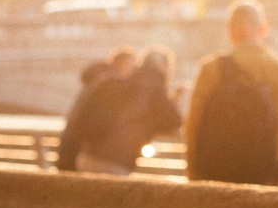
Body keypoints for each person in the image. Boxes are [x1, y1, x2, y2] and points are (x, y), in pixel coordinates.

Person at [183, 0, 278, 189]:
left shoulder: (211, 70)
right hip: (277, 189)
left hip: (223, 191)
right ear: (263, 28)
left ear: (230, 29)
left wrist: (195, 181)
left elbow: (193, 131)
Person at [57, 46, 184, 175]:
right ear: (161, 66)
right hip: (116, 162)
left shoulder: (117, 82)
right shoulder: (153, 86)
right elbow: (173, 120)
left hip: (87, 156)